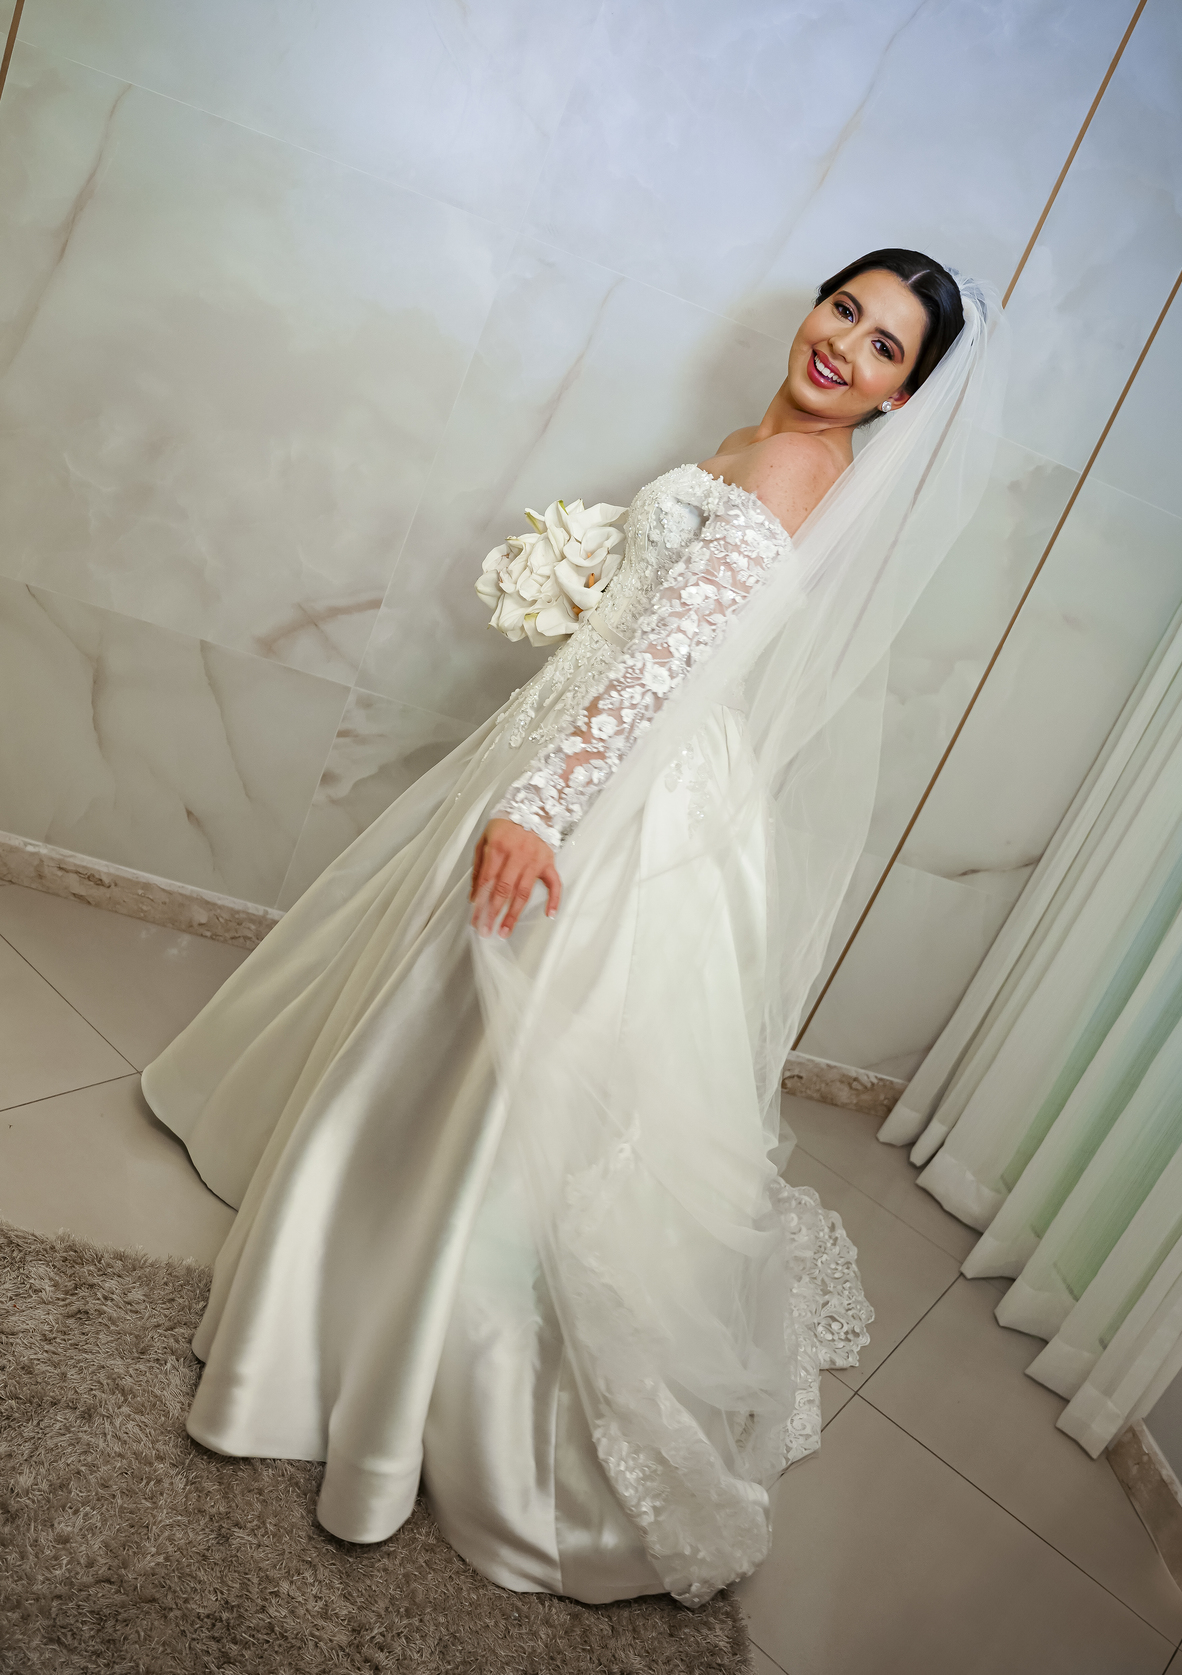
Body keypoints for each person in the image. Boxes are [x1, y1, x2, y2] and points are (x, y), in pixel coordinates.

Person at [142, 249, 1005, 1607]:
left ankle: (443, 1333)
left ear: (904, 396)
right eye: (845, 308)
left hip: (629, 788)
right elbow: (655, 623)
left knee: (532, 1050)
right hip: (595, 738)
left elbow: (672, 663)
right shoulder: (764, 442)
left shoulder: (796, 468)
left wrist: (543, 807)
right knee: (469, 1033)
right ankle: (378, 1237)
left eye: (885, 347)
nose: (844, 345)